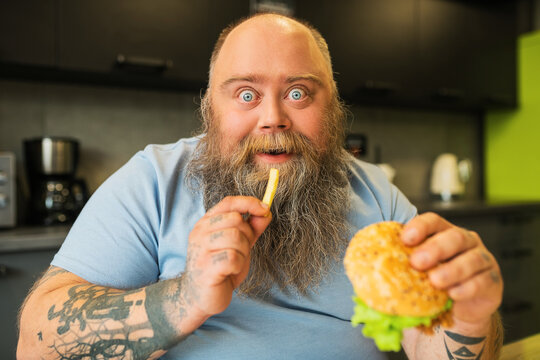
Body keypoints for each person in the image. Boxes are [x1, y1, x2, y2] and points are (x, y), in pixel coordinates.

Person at [17, 13, 503, 360]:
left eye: (298, 92)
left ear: (333, 107)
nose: (272, 117)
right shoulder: (152, 180)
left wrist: (470, 318)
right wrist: (184, 298)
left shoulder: (375, 192)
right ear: (211, 106)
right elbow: (35, 345)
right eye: (246, 94)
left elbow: (431, 345)